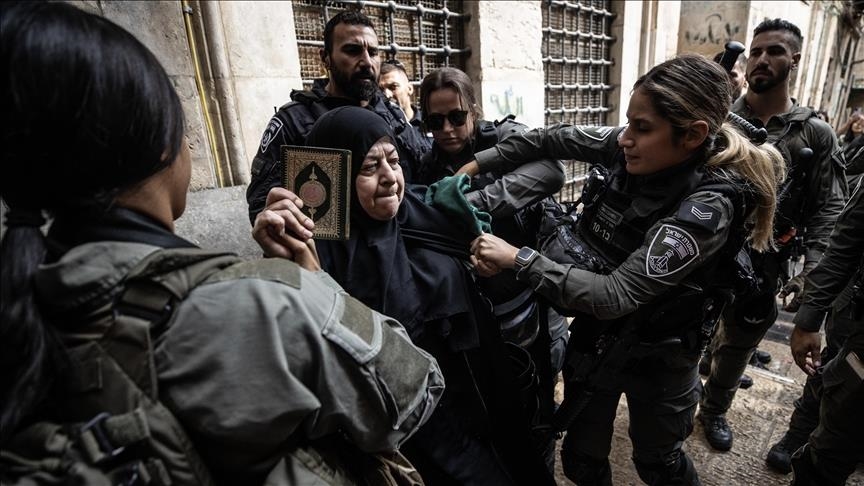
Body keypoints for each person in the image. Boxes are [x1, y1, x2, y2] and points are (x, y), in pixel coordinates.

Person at [0, 3, 443, 485]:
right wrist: (310, 280)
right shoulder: (265, 301)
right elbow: (411, 388)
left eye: (374, 51)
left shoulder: (23, 295)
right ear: (163, 146)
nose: (366, 60)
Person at [465, 54, 785, 485]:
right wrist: (479, 164)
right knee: (580, 459)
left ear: (692, 136)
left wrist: (519, 259)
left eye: (643, 127)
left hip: (664, 352)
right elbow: (549, 139)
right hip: (600, 339)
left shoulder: (709, 206)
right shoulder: (632, 147)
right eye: (629, 123)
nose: (626, 138)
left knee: (659, 463)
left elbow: (616, 295)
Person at [254, 105, 556, 486]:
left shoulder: (426, 211)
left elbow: (544, 175)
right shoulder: (317, 255)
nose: (389, 178)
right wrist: (287, 262)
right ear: (338, 176)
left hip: (478, 401)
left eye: (394, 161)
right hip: (405, 428)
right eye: (368, 168)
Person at [699, 18, 848, 457]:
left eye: (775, 51)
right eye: (757, 52)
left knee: (741, 340)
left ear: (794, 60)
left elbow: (828, 210)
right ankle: (686, 387)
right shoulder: (722, 115)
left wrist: (813, 279)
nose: (762, 59)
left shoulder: (814, 133)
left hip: (766, 257)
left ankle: (713, 410)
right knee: (689, 331)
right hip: (705, 250)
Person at [415, 67, 569, 469]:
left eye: (456, 117)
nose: (447, 129)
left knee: (538, 414)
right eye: (435, 121)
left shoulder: (503, 138)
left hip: (528, 302)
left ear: (474, 111)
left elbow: (552, 172)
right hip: (476, 314)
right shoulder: (426, 164)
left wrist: (474, 201)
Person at [244, 10, 431, 224]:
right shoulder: (294, 121)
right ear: (326, 58)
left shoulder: (392, 112)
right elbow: (262, 203)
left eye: (373, 52)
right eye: (353, 51)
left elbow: (424, 170)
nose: (367, 62)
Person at [787, 178, 864, 485]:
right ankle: (796, 436)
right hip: (856, 330)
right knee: (832, 443)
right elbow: (844, 246)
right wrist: (808, 320)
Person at [379, 58, 427, 140]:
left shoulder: (430, 122)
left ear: (409, 89)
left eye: (393, 87)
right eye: (380, 90)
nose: (387, 94)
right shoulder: (380, 128)